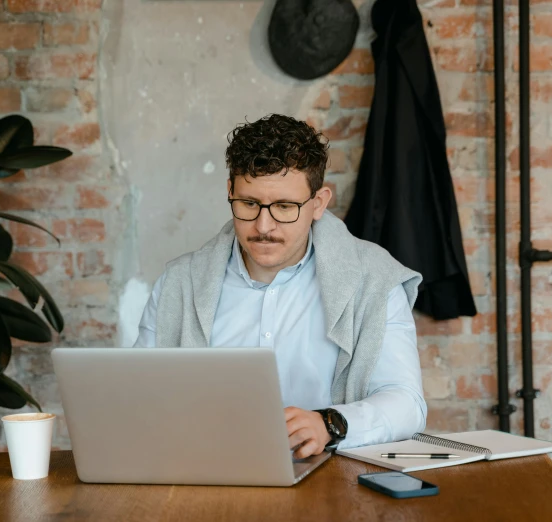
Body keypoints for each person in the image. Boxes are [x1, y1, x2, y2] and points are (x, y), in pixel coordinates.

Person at [135, 114, 426, 459]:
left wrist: (329, 424)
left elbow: (406, 402)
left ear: (318, 203)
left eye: (285, 207)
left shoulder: (374, 281)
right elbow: (140, 395)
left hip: (331, 487)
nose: (263, 225)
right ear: (230, 191)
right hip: (205, 477)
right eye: (249, 204)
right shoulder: (178, 285)